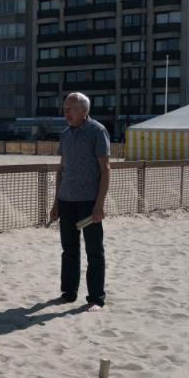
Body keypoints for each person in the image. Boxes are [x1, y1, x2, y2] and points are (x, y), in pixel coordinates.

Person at [48, 92, 111, 312]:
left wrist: (99, 205)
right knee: (69, 250)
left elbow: (105, 170)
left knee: (94, 251)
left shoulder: (97, 131)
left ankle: (96, 298)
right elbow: (61, 169)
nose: (65, 113)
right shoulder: (65, 134)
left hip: (88, 202)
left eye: (70, 109)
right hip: (66, 200)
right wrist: (55, 203)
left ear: (84, 111)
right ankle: (68, 292)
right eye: (65, 108)